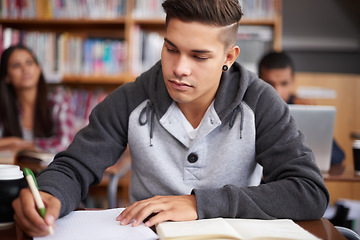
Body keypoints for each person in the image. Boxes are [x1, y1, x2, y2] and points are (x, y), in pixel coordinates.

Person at [13, 0, 329, 237]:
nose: (179, 68)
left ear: (228, 57)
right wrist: (50, 194)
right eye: (171, 49)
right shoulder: (131, 97)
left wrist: (198, 205)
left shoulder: (259, 101)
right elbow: (74, 166)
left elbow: (308, 191)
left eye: (199, 56)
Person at [258, 51, 345, 165]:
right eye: (270, 83)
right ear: (259, 80)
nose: (277, 91)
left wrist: (314, 117)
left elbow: (336, 156)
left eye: (284, 83)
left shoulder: (305, 108)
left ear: (293, 80)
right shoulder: (251, 109)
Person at [0, 45, 75, 154]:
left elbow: (66, 144)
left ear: (38, 69)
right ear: (7, 76)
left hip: (50, 169)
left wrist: (25, 146)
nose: (25, 69)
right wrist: (12, 142)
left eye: (29, 63)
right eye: (16, 65)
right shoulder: (4, 106)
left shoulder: (58, 101)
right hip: (14, 170)